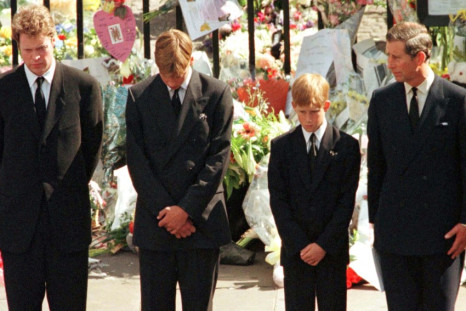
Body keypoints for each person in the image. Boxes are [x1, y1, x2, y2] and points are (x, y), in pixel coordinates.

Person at [0, 4, 103, 311]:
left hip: (67, 223)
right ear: (18, 45)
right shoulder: (4, 91)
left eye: (41, 48)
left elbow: (91, 147)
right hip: (19, 228)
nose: (35, 57)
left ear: (54, 40)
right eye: (27, 50)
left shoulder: (83, 87)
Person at [126, 29, 233, 311]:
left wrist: (185, 211)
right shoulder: (140, 96)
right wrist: (167, 212)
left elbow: (218, 158)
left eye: (179, 73)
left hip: (200, 222)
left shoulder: (216, 93)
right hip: (156, 221)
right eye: (165, 74)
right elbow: (137, 161)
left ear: (192, 61)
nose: (172, 81)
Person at [367, 21, 466, 311]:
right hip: (395, 236)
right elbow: (377, 166)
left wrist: (465, 220)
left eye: (396, 57)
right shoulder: (382, 101)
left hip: (443, 237)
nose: (390, 64)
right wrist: (377, 223)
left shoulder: (457, 101)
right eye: (388, 55)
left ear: (419, 57)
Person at [268, 73, 361, 311]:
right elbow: (279, 201)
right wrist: (299, 244)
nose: (308, 119)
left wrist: (322, 245)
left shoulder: (346, 147)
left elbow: (345, 203)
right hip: (296, 252)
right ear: (294, 108)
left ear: (326, 106)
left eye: (314, 111)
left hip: (331, 251)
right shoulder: (282, 147)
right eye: (302, 112)